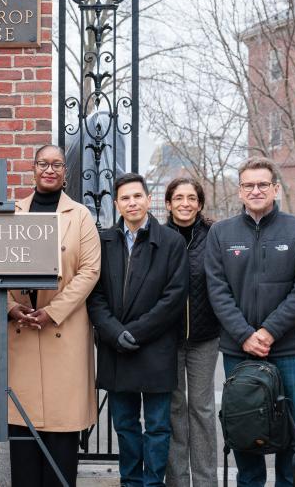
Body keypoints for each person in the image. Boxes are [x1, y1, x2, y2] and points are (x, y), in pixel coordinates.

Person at [205, 157, 295, 487]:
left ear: (275, 189)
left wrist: (269, 331)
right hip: (239, 350)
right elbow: (217, 289)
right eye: (248, 185)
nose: (255, 190)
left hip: (290, 350)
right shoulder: (221, 233)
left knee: (292, 425)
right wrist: (244, 334)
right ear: (239, 191)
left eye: (262, 185)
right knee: (244, 422)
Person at [6, 145, 101, 486]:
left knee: (62, 434)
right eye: (43, 163)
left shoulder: (80, 216)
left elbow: (90, 271)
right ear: (32, 169)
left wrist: (52, 311)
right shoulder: (11, 212)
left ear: (65, 172)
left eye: (57, 164)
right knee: (23, 430)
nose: (50, 169)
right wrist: (10, 308)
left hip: (64, 331)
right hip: (21, 332)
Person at [87, 172, 188, 487]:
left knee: (157, 426)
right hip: (116, 346)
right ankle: (130, 480)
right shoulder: (103, 241)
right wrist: (113, 332)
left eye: (137, 196)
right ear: (117, 203)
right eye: (125, 198)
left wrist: (138, 332)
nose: (132, 202)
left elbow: (174, 297)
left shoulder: (171, 241)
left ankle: (152, 482)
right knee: (125, 425)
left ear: (148, 199)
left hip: (155, 347)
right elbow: (94, 294)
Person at [162, 178, 220, 487]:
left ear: (199, 204)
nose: (185, 203)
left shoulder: (214, 236)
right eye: (179, 197)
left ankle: (206, 481)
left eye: (192, 198)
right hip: (167, 340)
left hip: (205, 337)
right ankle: (177, 481)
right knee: (174, 409)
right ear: (168, 203)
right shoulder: (157, 236)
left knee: (202, 409)